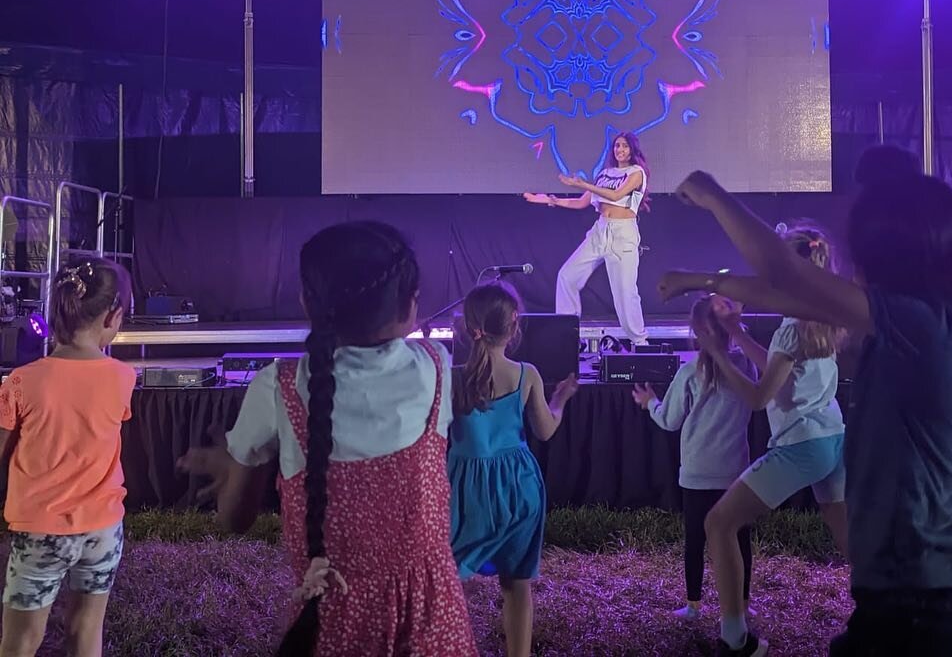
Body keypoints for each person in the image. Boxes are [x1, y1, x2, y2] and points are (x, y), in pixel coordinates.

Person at [659, 159, 952, 657]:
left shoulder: (918, 322)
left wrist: (712, 194)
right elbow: (790, 293)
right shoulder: (931, 314)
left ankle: (734, 639)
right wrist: (704, 283)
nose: (848, 268)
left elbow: (784, 275)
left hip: (926, 606)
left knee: (721, 522)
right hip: (942, 591)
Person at [179, 221, 476, 656]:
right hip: (433, 623)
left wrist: (232, 466)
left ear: (306, 303)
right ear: (410, 307)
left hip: (333, 625)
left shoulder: (276, 389)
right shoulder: (436, 367)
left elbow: (233, 519)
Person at [695, 225, 849, 655]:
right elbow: (783, 376)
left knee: (718, 523)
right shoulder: (822, 315)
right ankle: (887, 617)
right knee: (849, 540)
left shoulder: (790, 328)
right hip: (833, 438)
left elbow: (761, 396)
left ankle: (735, 639)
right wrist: (739, 332)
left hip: (801, 445)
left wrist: (719, 352)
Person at [0, 258, 136, 657]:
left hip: (39, 531)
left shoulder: (23, 381)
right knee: (86, 630)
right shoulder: (123, 378)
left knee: (21, 639)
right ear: (113, 316)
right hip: (103, 529)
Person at [448, 281, 578, 657]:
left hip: (466, 489)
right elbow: (545, 429)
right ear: (515, 324)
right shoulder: (527, 374)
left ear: (467, 327)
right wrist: (560, 399)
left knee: (452, 577)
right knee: (517, 583)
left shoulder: (453, 378)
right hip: (518, 488)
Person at [632, 296, 757, 621]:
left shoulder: (690, 372)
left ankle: (693, 606)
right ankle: (742, 605)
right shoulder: (747, 365)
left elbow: (669, 420)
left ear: (695, 333)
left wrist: (650, 403)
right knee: (740, 537)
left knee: (695, 540)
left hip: (698, 473)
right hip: (735, 472)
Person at [524, 131, 649, 347]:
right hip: (600, 230)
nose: (620, 150)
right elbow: (581, 203)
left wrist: (582, 184)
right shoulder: (605, 174)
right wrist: (548, 200)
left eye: (625, 146)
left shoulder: (636, 173)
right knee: (567, 276)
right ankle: (567, 335)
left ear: (632, 150)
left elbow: (616, 196)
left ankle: (640, 342)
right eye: (617, 146)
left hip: (623, 235)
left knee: (625, 293)